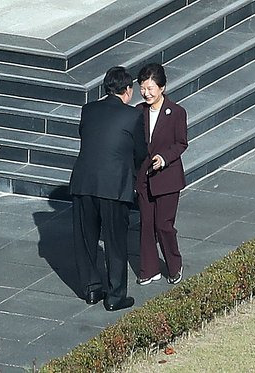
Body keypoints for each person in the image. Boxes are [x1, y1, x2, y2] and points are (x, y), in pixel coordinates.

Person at [70, 66, 147, 312]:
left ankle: (91, 289)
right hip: (114, 185)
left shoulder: (88, 110)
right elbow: (141, 152)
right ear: (127, 90)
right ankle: (115, 296)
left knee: (85, 238)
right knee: (115, 241)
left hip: (84, 182)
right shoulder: (133, 116)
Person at [135, 63, 188, 286]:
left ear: (162, 87)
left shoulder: (176, 112)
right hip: (144, 177)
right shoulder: (138, 111)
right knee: (146, 224)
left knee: (163, 224)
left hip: (167, 178)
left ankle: (174, 266)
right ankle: (149, 269)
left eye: (150, 88)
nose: (146, 93)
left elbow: (180, 144)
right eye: (142, 88)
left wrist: (164, 158)